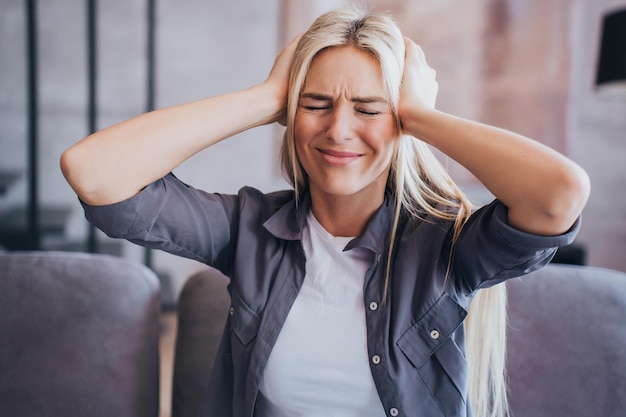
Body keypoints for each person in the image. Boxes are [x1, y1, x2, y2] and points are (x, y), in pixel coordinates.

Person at [61, 7, 589, 417]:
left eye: (368, 108)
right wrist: (266, 96)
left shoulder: (448, 246)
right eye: (315, 104)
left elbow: (560, 192)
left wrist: (419, 115)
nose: (338, 130)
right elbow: (93, 171)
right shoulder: (248, 229)